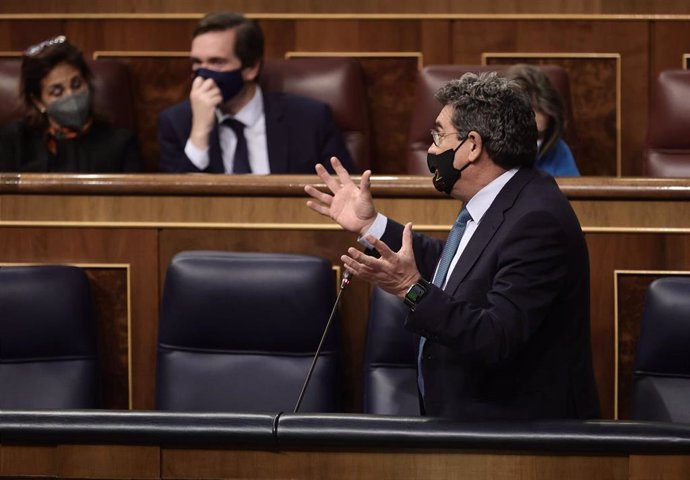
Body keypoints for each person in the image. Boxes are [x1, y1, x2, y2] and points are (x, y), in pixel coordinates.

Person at [305, 72, 600, 420]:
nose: (431, 149)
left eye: (439, 135)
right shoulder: (508, 198)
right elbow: (455, 267)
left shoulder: (537, 220)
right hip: (474, 428)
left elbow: (495, 336)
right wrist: (371, 225)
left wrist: (409, 289)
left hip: (518, 441)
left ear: (472, 145)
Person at [157, 11, 355, 174]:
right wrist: (199, 132)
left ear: (251, 68)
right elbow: (171, 206)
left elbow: (346, 195)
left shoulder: (309, 119)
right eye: (197, 62)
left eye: (217, 62)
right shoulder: (177, 123)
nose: (203, 74)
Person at [0, 35, 142, 173]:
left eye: (76, 84)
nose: (70, 95)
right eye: (57, 91)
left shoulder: (121, 143)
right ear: (38, 102)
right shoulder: (13, 141)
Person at [504, 63, 580, 177]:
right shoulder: (478, 153)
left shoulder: (556, 149)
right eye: (524, 133)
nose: (533, 145)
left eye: (539, 135)